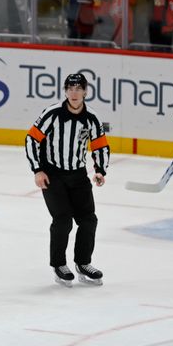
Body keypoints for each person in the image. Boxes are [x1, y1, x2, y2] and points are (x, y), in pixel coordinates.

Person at [24, 73, 110, 286]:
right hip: (53, 175)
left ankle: (83, 263)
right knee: (62, 220)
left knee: (88, 220)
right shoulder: (52, 113)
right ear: (65, 91)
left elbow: (100, 144)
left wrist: (100, 170)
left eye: (78, 88)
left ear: (85, 91)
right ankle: (59, 264)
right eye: (70, 88)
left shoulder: (91, 118)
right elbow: (32, 139)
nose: (74, 93)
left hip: (78, 175)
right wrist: (38, 170)